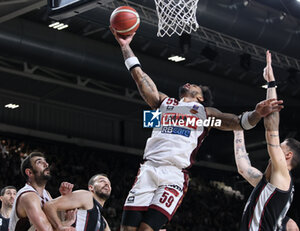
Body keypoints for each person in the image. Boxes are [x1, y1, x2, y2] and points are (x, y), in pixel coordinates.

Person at [110, 29, 283, 231]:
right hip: (148, 169)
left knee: (147, 229)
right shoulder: (164, 103)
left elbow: (237, 122)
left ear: (200, 97)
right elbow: (140, 77)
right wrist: (125, 46)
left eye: (196, 86)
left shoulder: (205, 115)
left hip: (173, 175)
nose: (189, 83)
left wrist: (257, 113)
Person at [233, 51, 300, 230]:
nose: (276, 149)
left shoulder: (282, 173)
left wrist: (271, 83)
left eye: (280, 147)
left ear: (287, 156)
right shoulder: (272, 183)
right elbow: (244, 169)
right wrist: (238, 129)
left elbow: (272, 129)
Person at [9, 152, 75, 231]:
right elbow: (46, 229)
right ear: (29, 172)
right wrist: (68, 221)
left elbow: (56, 220)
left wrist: (65, 197)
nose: (46, 164)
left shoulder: (45, 193)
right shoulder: (28, 196)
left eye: (45, 161)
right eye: (39, 162)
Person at [43, 174, 112, 231]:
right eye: (102, 181)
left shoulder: (103, 222)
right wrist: (60, 227)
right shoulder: (86, 196)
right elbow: (49, 206)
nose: (107, 184)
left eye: (109, 184)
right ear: (91, 188)